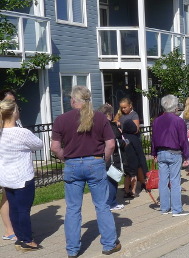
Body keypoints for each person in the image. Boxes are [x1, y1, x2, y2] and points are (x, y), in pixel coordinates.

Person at [50, 86, 121, 256]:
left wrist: (65, 158)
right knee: (102, 206)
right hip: (95, 162)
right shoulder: (100, 118)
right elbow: (110, 144)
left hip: (72, 164)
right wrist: (102, 160)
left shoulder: (61, 119)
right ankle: (109, 244)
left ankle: (73, 250)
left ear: (74, 100)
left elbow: (54, 147)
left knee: (73, 208)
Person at [0, 99, 42, 251]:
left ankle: (19, 237)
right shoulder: (22, 133)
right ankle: (27, 240)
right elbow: (39, 144)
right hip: (22, 176)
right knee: (23, 209)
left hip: (6, 177)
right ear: (13, 113)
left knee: (14, 209)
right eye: (17, 109)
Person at [151, 95, 189, 216]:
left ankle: (164, 207)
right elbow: (183, 139)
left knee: (163, 180)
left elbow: (154, 139)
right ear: (175, 107)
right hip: (174, 152)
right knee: (174, 180)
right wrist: (187, 155)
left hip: (161, 152)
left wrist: (154, 153)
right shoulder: (178, 121)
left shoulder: (157, 121)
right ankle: (177, 209)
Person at [97, 104, 126, 211]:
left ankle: (105, 201)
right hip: (112, 157)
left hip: (99, 156)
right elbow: (114, 141)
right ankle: (111, 203)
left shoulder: (96, 124)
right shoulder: (109, 125)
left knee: (103, 181)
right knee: (112, 179)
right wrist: (124, 142)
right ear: (109, 114)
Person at [114, 98, 143, 197]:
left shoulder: (134, 114)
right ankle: (127, 189)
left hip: (132, 143)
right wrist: (116, 124)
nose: (123, 109)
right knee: (127, 169)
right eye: (122, 108)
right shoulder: (120, 114)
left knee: (135, 167)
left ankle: (136, 187)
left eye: (125, 107)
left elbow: (136, 129)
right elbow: (114, 123)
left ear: (130, 105)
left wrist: (125, 128)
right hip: (123, 142)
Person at [0, 90, 16, 242]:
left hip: (14, 165)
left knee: (11, 196)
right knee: (6, 196)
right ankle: (9, 230)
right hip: (4, 164)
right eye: (9, 101)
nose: (13, 104)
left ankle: (14, 226)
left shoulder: (15, 120)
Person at [121, 119, 148, 198]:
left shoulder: (122, 137)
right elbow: (139, 152)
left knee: (127, 176)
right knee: (133, 176)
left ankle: (126, 191)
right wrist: (144, 167)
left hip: (124, 160)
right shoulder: (134, 138)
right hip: (133, 160)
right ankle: (133, 191)